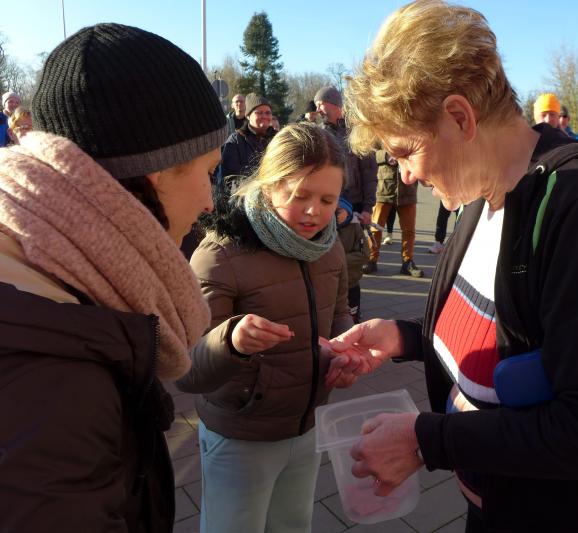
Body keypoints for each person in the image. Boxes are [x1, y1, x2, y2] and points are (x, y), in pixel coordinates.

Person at [326, 2, 578, 531]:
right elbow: (511, 333)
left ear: (460, 117)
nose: (406, 176)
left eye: (406, 151)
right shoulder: (481, 194)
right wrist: (404, 337)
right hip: (498, 499)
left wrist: (425, 441)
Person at [0, 23, 226, 531]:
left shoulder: (49, 281)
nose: (210, 201)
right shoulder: (55, 384)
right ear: (154, 173)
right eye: (207, 171)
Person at [175, 122, 353, 533]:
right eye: (299, 196)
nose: (314, 211)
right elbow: (185, 369)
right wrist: (231, 342)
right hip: (241, 434)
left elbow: (340, 314)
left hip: (306, 425)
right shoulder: (220, 252)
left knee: (293, 525)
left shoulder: (329, 245)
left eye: (328, 200)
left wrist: (345, 352)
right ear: (269, 185)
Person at [315, 85, 377, 322]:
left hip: (354, 212)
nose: (319, 109)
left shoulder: (357, 134)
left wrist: (368, 208)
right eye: (317, 104)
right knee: (326, 264)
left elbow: (369, 173)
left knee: (350, 267)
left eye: (322, 104)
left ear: (336, 105)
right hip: (326, 210)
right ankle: (329, 314)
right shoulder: (316, 133)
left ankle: (352, 315)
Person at [363, 148, 424, 277]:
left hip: (408, 189)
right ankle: (371, 259)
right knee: (375, 228)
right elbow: (368, 153)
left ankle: (407, 262)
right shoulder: (379, 134)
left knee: (409, 230)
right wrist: (385, 156)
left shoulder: (413, 135)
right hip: (383, 188)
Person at [218, 94, 277, 186]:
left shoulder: (278, 138)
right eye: (259, 112)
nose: (264, 116)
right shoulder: (236, 140)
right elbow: (230, 176)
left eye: (268, 113)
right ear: (248, 116)